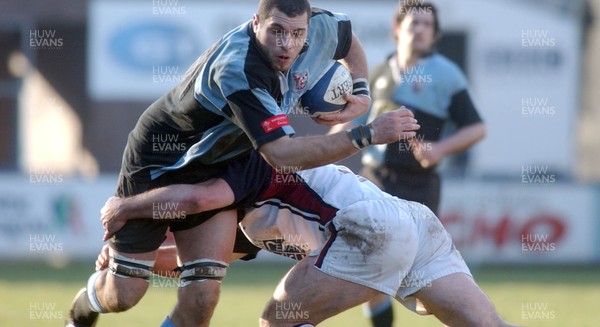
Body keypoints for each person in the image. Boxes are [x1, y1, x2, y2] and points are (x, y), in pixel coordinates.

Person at [67, 0, 420, 327]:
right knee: (125, 294)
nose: (287, 44)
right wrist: (367, 134)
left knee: (202, 298)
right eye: (276, 31)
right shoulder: (240, 70)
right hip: (160, 162)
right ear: (256, 23)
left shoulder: (319, 27)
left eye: (297, 34)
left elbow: (348, 38)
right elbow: (281, 154)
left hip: (222, 161)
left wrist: (360, 89)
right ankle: (82, 309)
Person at [97, 150, 515, 327]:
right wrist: (129, 265)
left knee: (275, 321)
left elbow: (199, 198)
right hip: (411, 222)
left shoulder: (239, 172)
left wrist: (126, 209)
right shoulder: (245, 222)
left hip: (370, 229)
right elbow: (201, 264)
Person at [336, 0, 486, 327]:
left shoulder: (446, 75)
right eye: (413, 23)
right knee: (371, 270)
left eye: (427, 25)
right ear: (397, 29)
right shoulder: (376, 72)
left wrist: (441, 149)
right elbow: (351, 120)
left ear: (435, 34)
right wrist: (329, 141)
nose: (419, 30)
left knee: (426, 282)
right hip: (374, 179)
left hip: (420, 186)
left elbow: (476, 127)